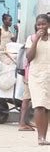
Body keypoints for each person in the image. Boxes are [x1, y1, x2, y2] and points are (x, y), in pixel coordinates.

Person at [25, 14, 50, 145]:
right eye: (39, 24)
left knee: (47, 107)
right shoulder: (32, 38)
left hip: (48, 76)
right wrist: (36, 40)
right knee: (39, 105)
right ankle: (40, 137)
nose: (41, 27)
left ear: (48, 25)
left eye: (44, 24)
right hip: (36, 76)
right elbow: (29, 57)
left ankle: (44, 136)